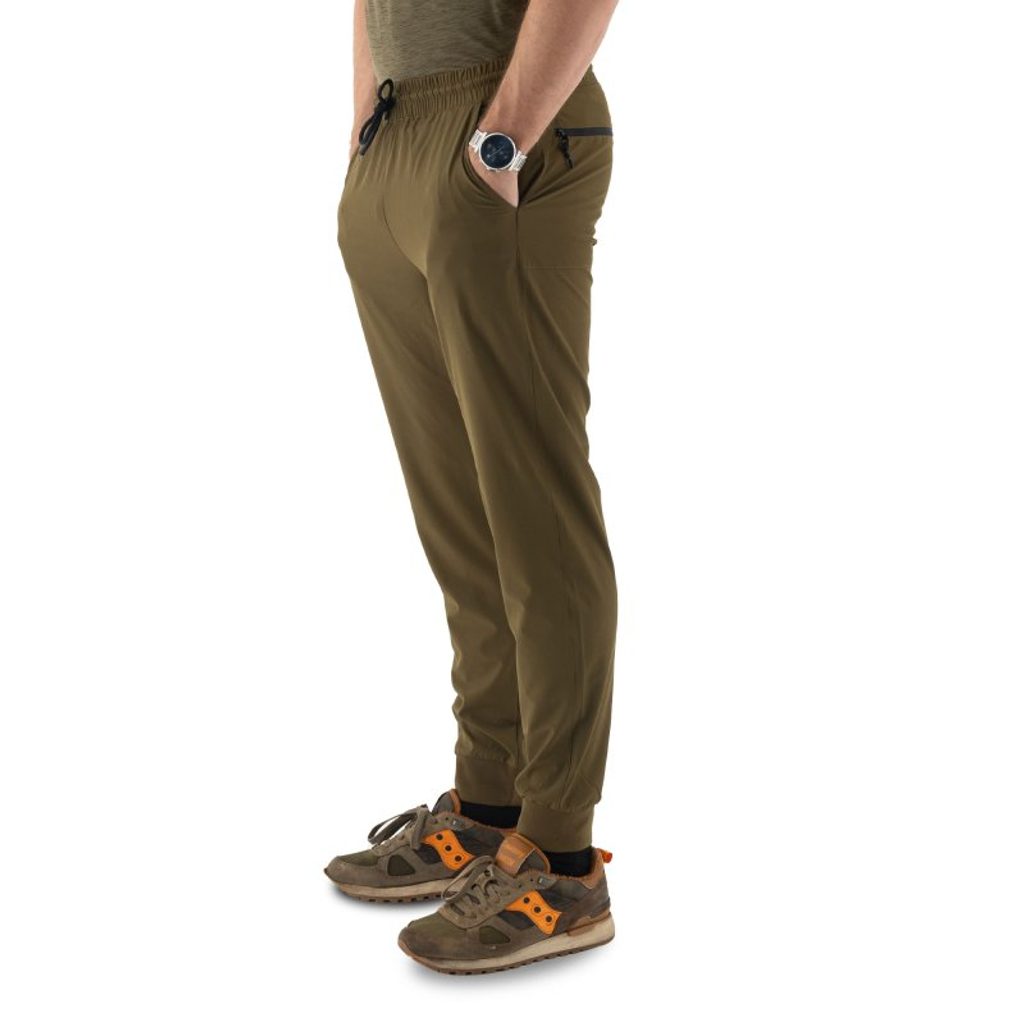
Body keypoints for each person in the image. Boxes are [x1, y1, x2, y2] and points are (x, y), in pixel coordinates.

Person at [325, 0, 622, 973]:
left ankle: (561, 860)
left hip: (505, 126)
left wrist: (502, 139)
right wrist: (368, 134)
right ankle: (490, 804)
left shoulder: (503, 138)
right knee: (459, 514)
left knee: (535, 506)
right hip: (401, 130)